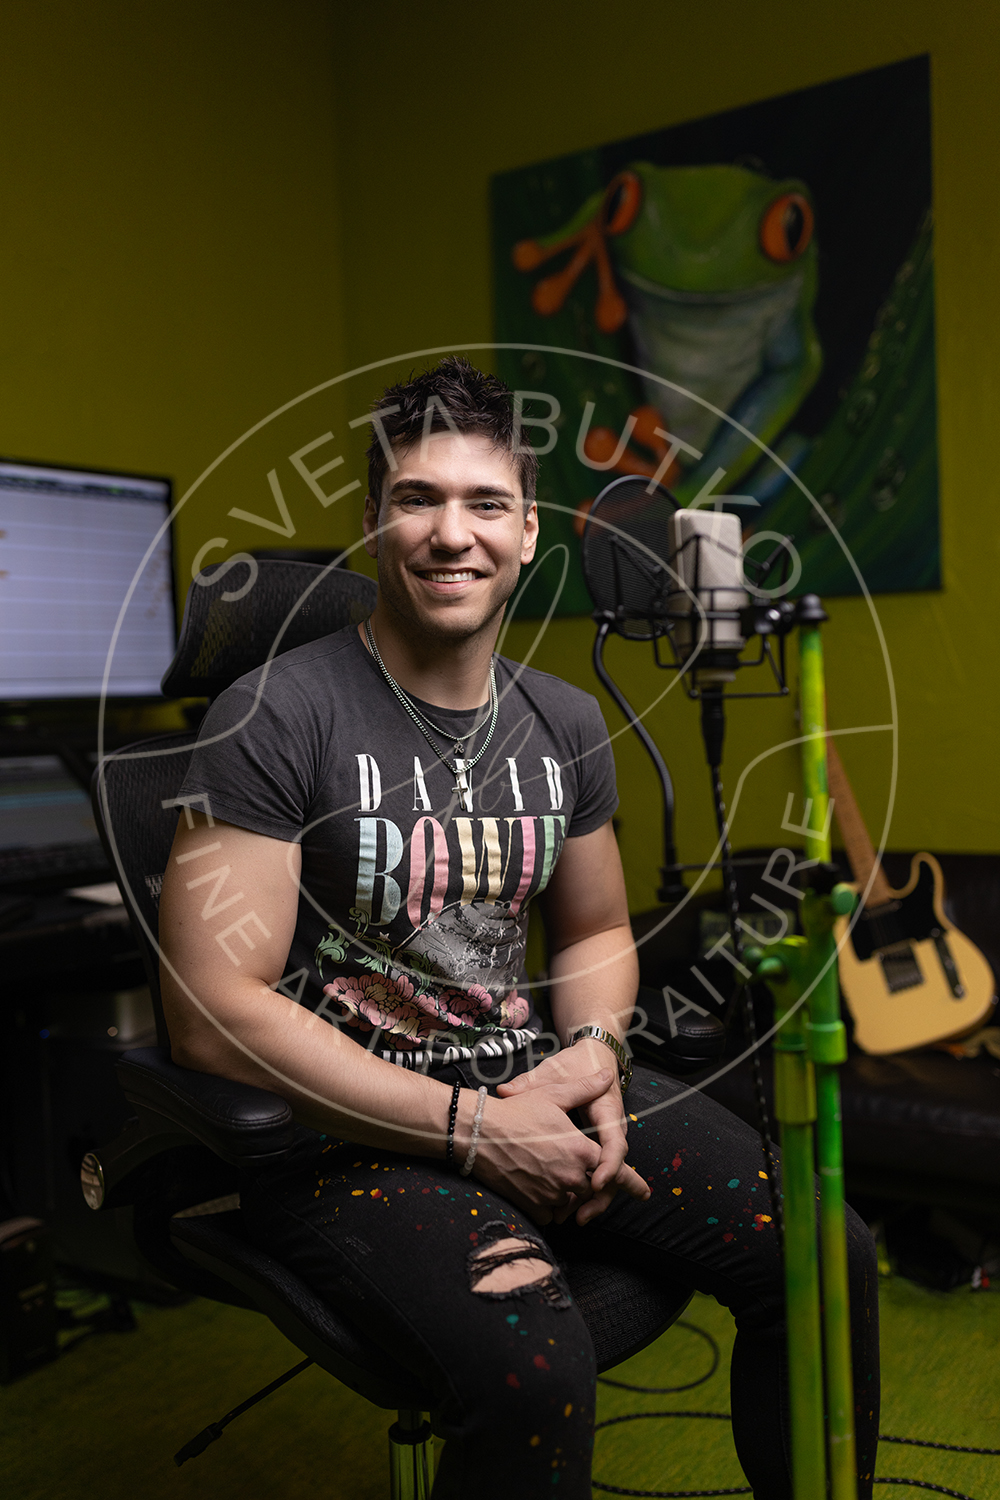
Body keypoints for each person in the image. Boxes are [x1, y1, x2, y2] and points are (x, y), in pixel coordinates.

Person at [160, 357, 879, 1499]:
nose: (453, 533)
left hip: (527, 1075)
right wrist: (473, 1130)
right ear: (374, 521)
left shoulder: (565, 721)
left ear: (528, 531)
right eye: (418, 498)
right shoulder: (274, 713)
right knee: (535, 1371)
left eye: (485, 502)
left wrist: (592, 1054)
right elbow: (210, 1011)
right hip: (347, 1132)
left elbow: (594, 930)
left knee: (828, 1256)